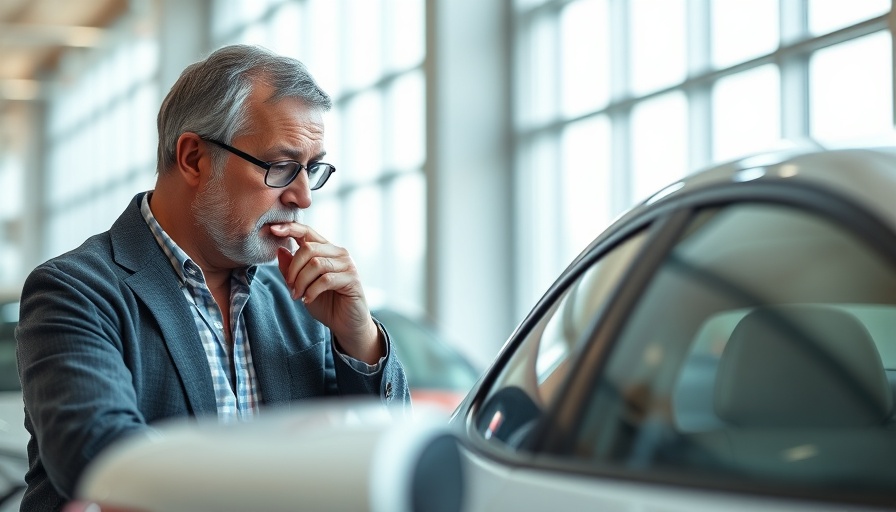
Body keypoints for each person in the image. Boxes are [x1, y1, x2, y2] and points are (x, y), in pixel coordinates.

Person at [15, 44, 410, 511]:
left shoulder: (300, 299)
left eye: (312, 169)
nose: (303, 197)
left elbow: (383, 462)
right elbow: (106, 464)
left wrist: (358, 335)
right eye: (282, 167)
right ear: (194, 158)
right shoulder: (74, 290)